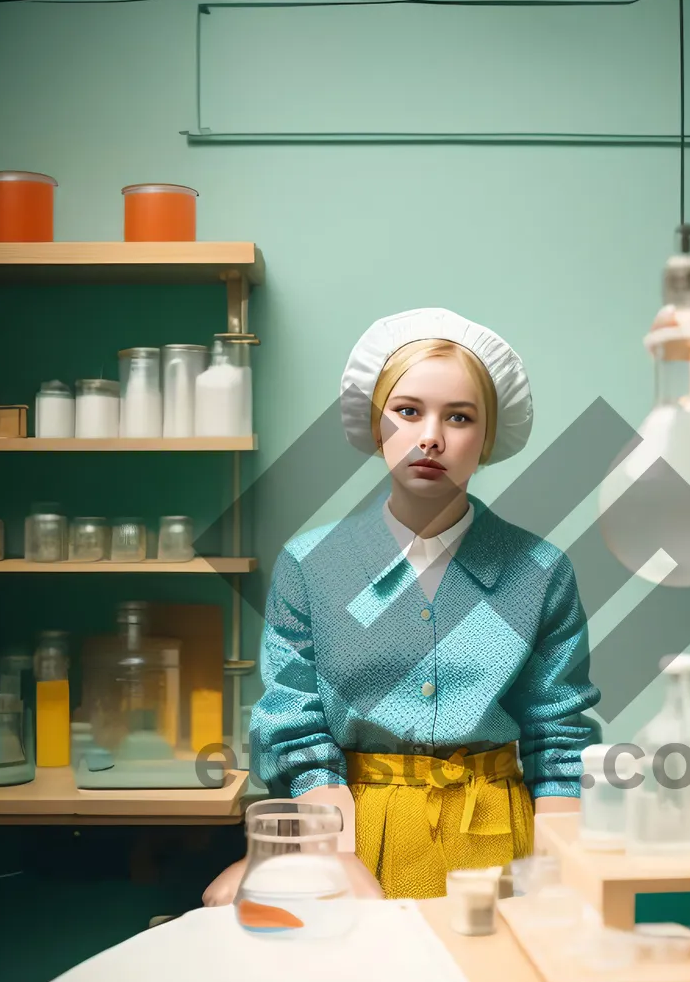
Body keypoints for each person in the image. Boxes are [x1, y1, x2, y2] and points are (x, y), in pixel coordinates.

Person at [203, 308, 601, 903]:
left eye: (460, 417)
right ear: (375, 423)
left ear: (487, 439)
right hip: (351, 835)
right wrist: (337, 864)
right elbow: (297, 727)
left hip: (501, 838)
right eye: (408, 411)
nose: (430, 437)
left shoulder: (541, 571)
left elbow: (557, 734)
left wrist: (559, 877)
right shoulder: (311, 565)